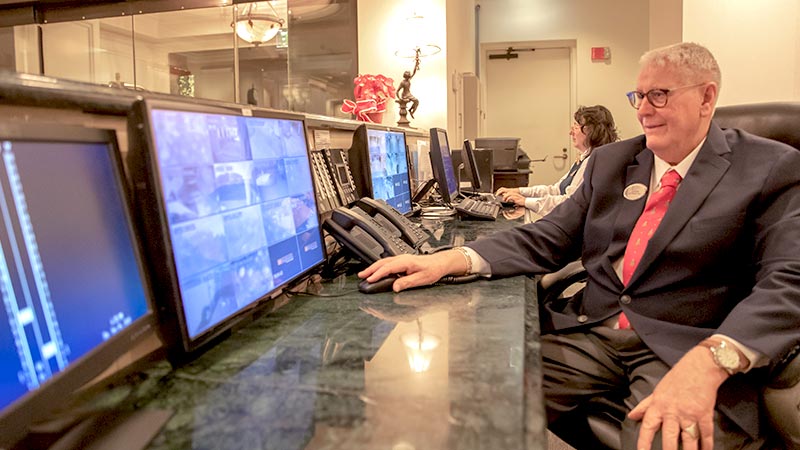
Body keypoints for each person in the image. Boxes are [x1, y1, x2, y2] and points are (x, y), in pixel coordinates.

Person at [358, 42, 800, 449]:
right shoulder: (614, 162)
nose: (644, 110)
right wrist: (449, 259)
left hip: (685, 347)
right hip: (592, 330)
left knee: (664, 439)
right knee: (475, 399)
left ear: (707, 98)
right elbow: (550, 236)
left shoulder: (768, 167)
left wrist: (711, 361)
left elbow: (789, 279)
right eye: (638, 96)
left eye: (659, 95)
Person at [496, 105, 619, 218]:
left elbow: (569, 203)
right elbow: (556, 189)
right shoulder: (585, 158)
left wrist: (525, 201)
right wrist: (519, 191)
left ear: (591, 131)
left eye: (575, 127)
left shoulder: (593, 162)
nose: (571, 132)